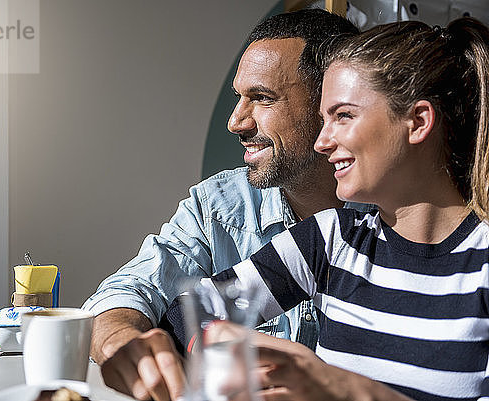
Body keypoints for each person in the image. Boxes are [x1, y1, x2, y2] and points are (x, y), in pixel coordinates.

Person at [189, 17, 489, 401]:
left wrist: (342, 388)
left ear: (417, 122)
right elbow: (193, 313)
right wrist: (218, 344)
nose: (322, 142)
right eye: (322, 120)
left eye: (343, 116)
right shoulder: (331, 238)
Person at [82, 9, 360, 401]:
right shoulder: (217, 205)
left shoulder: (390, 222)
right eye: (238, 98)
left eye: (262, 98)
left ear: (330, 105)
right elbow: (131, 288)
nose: (236, 121)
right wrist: (121, 341)